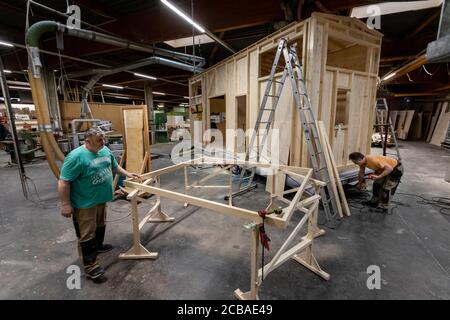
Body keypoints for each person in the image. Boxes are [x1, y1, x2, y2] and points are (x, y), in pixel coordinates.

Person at [58, 127, 140, 283]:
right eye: (99, 140)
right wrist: (65, 204)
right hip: (85, 203)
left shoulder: (104, 150)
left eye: (103, 139)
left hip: (101, 199)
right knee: (87, 234)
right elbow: (63, 181)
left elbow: (114, 166)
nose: (103, 142)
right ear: (87, 141)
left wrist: (128, 174)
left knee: (100, 225)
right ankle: (91, 266)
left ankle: (98, 246)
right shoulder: (76, 157)